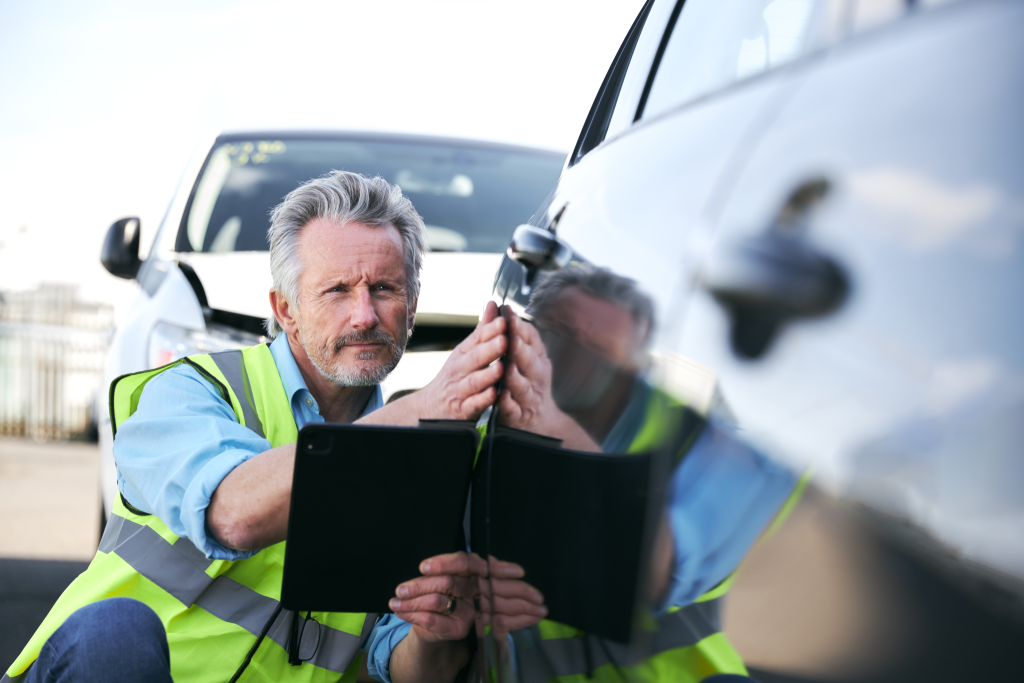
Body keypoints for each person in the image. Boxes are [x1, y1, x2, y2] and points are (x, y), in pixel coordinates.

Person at [4, 171, 546, 683]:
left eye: (384, 288)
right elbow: (231, 514)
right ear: (284, 309)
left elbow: (391, 668)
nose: (364, 316)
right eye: (337, 291)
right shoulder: (190, 392)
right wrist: (427, 406)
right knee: (115, 629)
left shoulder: (426, 467)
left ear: (412, 308)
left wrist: (436, 632)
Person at [495, 263, 802, 682]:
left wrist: (554, 428)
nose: (572, 362)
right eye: (558, 335)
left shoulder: (723, 456)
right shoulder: (494, 437)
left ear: (638, 364)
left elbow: (646, 572)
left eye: (599, 352)